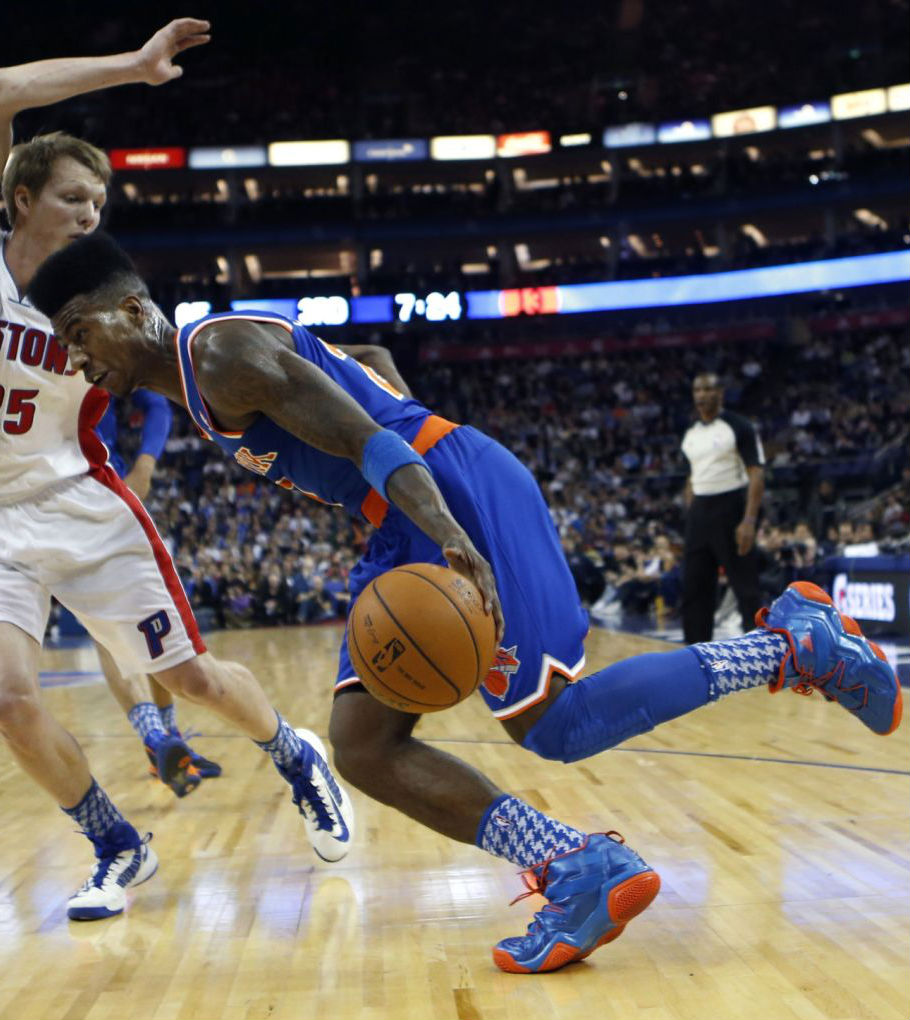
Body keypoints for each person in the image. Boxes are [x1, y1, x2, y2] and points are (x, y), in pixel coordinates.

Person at [30, 231, 902, 974]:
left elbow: (370, 435)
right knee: (362, 746)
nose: (73, 355)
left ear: (137, 308)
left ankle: (795, 644)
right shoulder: (204, 369)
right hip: (413, 503)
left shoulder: (217, 358)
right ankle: (575, 862)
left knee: (558, 724)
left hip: (440, 495)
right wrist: (404, 462)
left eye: (77, 329)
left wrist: (445, 526)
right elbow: (365, 368)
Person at [0, 23, 352, 924]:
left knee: (190, 678)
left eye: (100, 203)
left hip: (82, 501)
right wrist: (128, 69)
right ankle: (118, 845)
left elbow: (188, 378)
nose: (90, 214)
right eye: (74, 197)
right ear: (21, 196)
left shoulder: (109, 298)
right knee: (8, 700)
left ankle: (293, 752)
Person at [94, 390, 222, 787]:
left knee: (144, 617)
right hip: (54, 502)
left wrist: (145, 465)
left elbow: (155, 401)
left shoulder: (82, 334)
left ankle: (165, 742)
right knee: (108, 628)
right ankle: (158, 740)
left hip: (105, 488)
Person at [680, 372, 765, 643]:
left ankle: (760, 651)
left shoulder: (738, 426)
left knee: (745, 586)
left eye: (708, 389)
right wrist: (690, 511)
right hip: (700, 512)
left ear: (721, 393)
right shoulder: (691, 433)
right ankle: (694, 653)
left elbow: (756, 473)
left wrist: (749, 520)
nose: (702, 395)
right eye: (697, 390)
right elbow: (692, 476)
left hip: (731, 506)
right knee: (694, 587)